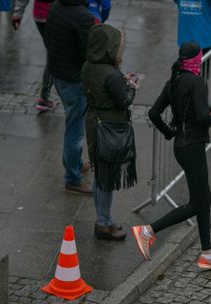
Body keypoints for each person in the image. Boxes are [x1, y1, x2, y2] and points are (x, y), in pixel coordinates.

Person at [131, 41, 211, 269]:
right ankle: (147, 231)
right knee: (198, 202)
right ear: (197, 60)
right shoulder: (196, 82)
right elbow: (205, 117)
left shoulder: (173, 82)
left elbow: (154, 113)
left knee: (204, 200)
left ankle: (206, 254)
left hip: (181, 147)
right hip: (193, 147)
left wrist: (169, 133)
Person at [83, 24, 139, 241]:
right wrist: (131, 86)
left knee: (99, 171)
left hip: (93, 122)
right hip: (109, 126)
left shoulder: (88, 66)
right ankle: (104, 222)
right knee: (105, 177)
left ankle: (103, 219)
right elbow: (124, 100)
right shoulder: (111, 74)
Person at [44, 0, 96, 194]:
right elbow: (89, 53)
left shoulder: (56, 6)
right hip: (74, 80)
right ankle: (73, 178)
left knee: (72, 123)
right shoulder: (83, 17)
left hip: (58, 74)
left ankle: (74, 163)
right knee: (75, 131)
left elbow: (48, 39)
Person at [11, 0, 55, 111]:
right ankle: (44, 97)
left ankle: (46, 96)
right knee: (53, 54)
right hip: (54, 16)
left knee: (53, 52)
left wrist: (17, 14)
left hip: (40, 15)